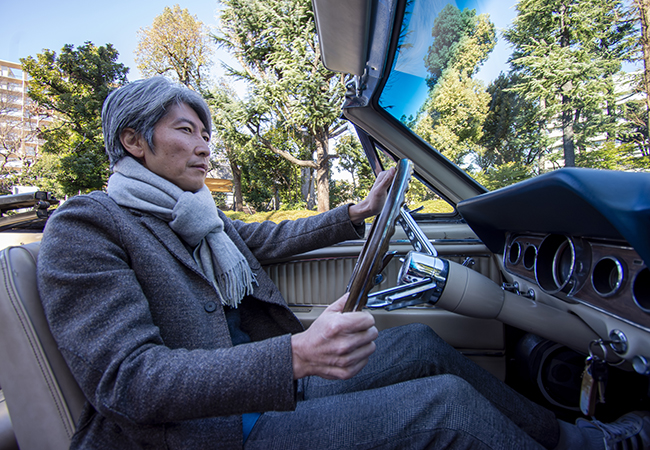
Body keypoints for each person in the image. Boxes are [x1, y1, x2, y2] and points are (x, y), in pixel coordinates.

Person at [36, 77, 650, 450]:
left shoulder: (195, 216)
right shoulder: (87, 226)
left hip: (262, 393)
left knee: (422, 346)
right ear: (134, 142)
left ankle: (575, 439)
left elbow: (263, 239)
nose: (204, 147)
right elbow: (129, 381)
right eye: (186, 131)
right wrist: (295, 355)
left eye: (206, 134)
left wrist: (356, 212)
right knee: (444, 405)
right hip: (204, 433)